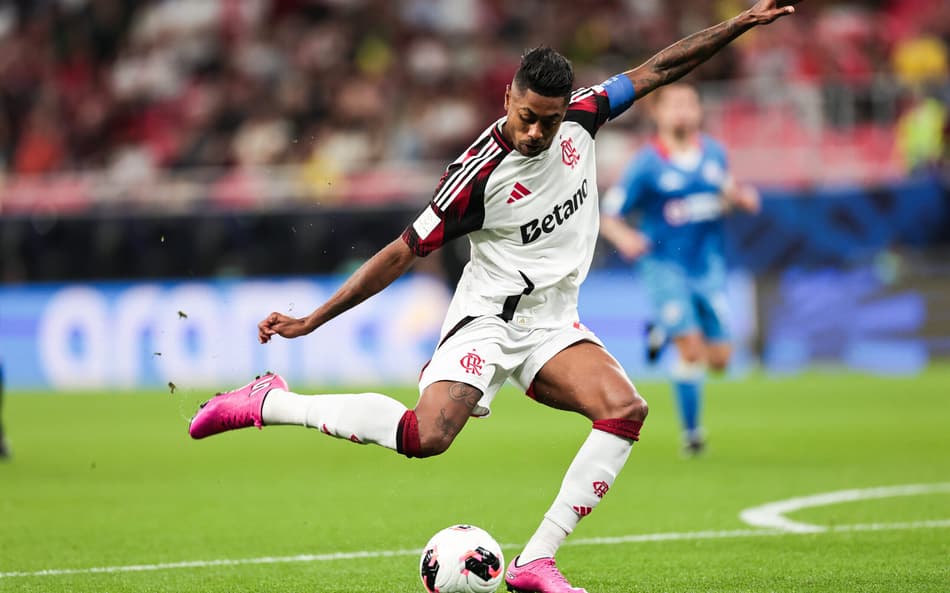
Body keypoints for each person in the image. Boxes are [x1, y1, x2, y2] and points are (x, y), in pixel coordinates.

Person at [189, 3, 800, 592]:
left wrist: (741, 22)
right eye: (527, 116)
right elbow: (401, 251)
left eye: (549, 120)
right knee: (427, 437)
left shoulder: (585, 116)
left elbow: (658, 70)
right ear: (508, 97)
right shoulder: (476, 177)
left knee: (625, 409)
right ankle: (270, 402)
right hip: (488, 320)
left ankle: (535, 561)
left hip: (553, 321)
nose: (536, 132)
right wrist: (312, 320)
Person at [600, 83, 761, 456]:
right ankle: (692, 435)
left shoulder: (714, 154)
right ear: (657, 113)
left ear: (699, 110)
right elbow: (610, 214)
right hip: (664, 267)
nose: (682, 112)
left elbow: (729, 193)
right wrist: (624, 237)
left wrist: (741, 199)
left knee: (720, 360)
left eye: (689, 104)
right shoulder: (646, 163)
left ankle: (661, 329)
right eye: (673, 105)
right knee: (690, 351)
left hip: (708, 268)